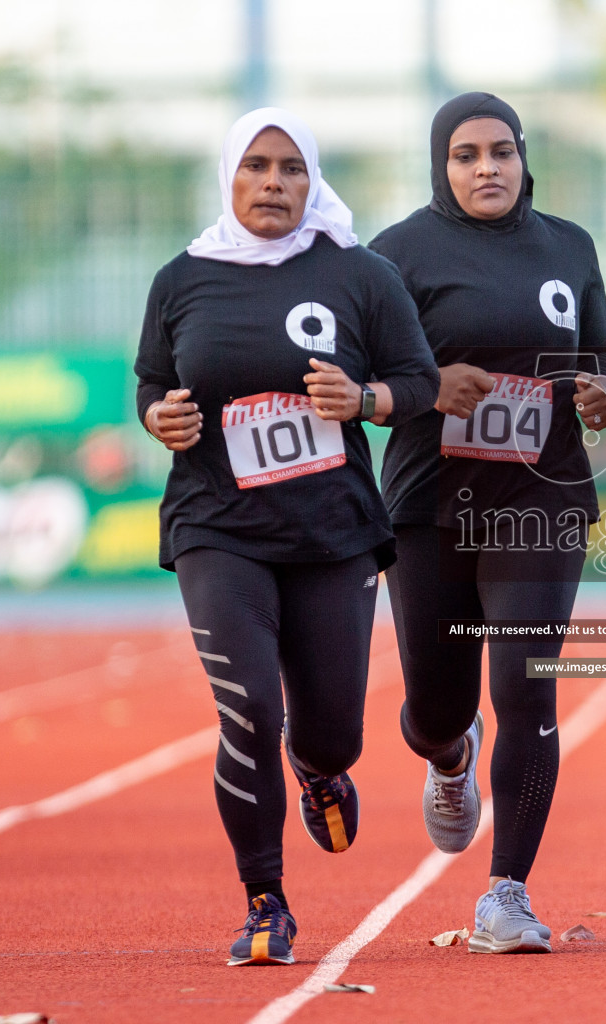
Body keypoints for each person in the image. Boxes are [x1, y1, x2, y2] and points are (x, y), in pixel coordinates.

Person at [134, 107, 440, 966]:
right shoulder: (182, 279)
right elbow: (153, 383)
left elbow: (418, 381)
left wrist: (366, 401)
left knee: (331, 729)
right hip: (215, 526)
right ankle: (265, 899)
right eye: (256, 167)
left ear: (313, 183)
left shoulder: (361, 275)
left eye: (291, 169)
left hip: (331, 532)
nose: (273, 182)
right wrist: (158, 416)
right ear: (229, 177)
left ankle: (320, 770)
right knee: (248, 709)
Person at [369, 92, 606, 954]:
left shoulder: (569, 248)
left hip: (541, 500)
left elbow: (602, 362)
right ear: (442, 165)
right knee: (439, 707)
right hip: (430, 504)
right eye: (467, 154)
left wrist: (599, 393)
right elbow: (365, 390)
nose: (487, 168)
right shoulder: (395, 255)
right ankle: (448, 754)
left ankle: (506, 893)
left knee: (526, 687)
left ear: (524, 158)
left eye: (501, 152)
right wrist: (431, 386)